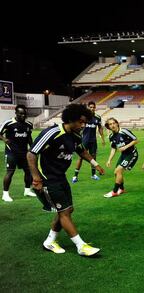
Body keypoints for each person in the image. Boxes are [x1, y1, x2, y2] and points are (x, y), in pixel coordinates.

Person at [27, 104, 104, 256]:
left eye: (85, 122)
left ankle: (50, 241)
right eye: (81, 122)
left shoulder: (75, 136)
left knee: (68, 209)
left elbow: (82, 151)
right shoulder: (53, 133)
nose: (83, 125)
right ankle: (81, 246)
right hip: (47, 178)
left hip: (60, 177)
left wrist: (96, 164)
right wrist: (36, 179)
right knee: (64, 212)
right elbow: (31, 154)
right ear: (71, 119)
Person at [0, 105, 36, 202]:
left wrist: (33, 148)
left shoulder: (28, 124)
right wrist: (4, 139)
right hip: (11, 152)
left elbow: (29, 138)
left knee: (28, 171)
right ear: (16, 113)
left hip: (24, 153)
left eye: (24, 114)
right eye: (21, 113)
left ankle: (27, 190)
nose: (23, 115)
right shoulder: (9, 123)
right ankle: (5, 194)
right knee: (10, 172)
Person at [104, 118, 138, 198]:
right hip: (123, 155)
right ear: (108, 126)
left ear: (117, 123)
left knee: (118, 170)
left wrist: (126, 147)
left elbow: (136, 140)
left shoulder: (124, 131)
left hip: (132, 154)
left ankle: (115, 191)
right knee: (116, 173)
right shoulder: (111, 136)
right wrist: (109, 160)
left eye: (113, 123)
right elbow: (113, 148)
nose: (112, 125)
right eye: (110, 124)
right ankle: (122, 189)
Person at [72, 101, 105, 183]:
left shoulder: (97, 117)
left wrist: (103, 138)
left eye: (93, 107)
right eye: (90, 107)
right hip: (84, 140)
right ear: (88, 108)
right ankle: (75, 176)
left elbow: (100, 128)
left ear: (95, 108)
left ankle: (93, 175)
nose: (92, 108)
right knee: (81, 157)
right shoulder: (84, 118)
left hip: (93, 141)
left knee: (93, 157)